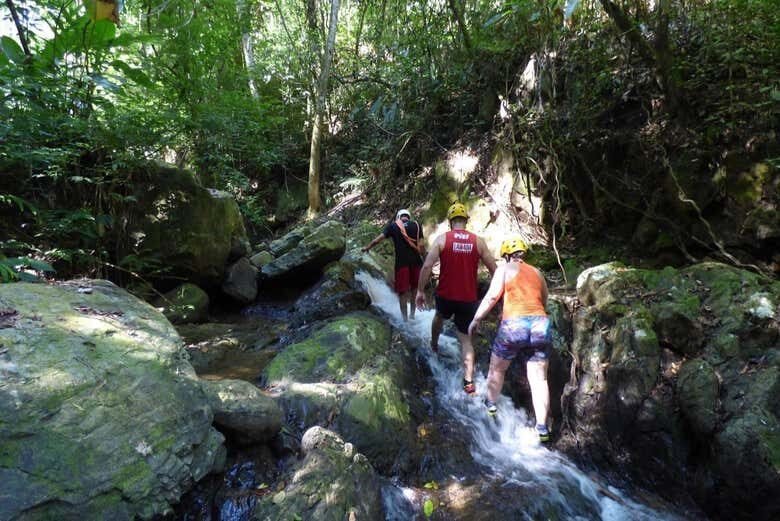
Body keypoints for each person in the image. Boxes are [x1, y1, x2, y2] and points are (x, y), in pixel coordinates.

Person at [467, 237, 552, 442]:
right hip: (541, 324)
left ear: (506, 255)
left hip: (514, 325)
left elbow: (491, 296)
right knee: (540, 379)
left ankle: (491, 406)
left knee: (497, 368)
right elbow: (544, 299)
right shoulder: (537, 272)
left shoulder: (504, 269)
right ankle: (542, 428)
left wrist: (476, 319)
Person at [415, 202, 496, 396]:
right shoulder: (478, 241)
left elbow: (427, 266)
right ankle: (468, 383)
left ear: (451, 222)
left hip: (445, 295)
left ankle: (434, 345)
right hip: (468, 299)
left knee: (439, 318)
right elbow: (495, 269)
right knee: (466, 341)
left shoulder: (442, 239)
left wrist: (419, 291)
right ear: (465, 222)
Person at [363, 208, 425, 321]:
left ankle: (405, 321)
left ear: (398, 217)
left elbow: (378, 240)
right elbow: (421, 246)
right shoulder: (417, 225)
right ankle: (412, 316)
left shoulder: (393, 226)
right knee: (414, 289)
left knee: (403, 293)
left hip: (402, 265)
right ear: (408, 216)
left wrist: (367, 247)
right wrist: (425, 257)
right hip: (416, 263)